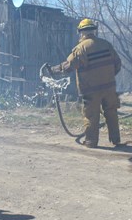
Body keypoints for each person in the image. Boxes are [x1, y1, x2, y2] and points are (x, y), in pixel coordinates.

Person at [50, 18, 122, 148]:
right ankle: (116, 139)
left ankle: (90, 141)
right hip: (109, 87)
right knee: (111, 111)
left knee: (91, 115)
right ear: (93, 30)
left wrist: (54, 70)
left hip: (91, 89)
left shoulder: (81, 48)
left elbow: (69, 66)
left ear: (80, 32)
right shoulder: (106, 45)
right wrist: (108, 77)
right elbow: (117, 64)